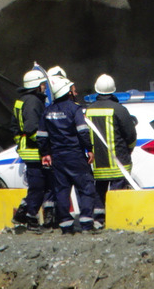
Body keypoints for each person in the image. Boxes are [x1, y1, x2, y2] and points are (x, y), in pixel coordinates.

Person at [36, 76, 100, 234]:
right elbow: (82, 131)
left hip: (58, 157)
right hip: (75, 155)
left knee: (62, 190)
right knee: (86, 187)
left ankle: (65, 225)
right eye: (73, 88)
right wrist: (89, 149)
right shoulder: (74, 109)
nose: (75, 91)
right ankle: (86, 224)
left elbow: (41, 136)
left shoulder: (48, 111)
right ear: (67, 91)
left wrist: (45, 153)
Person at [85, 74, 137, 227]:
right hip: (118, 162)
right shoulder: (119, 109)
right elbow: (131, 135)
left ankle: (98, 220)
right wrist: (129, 149)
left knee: (99, 191)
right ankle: (116, 220)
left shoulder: (89, 110)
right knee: (117, 193)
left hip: (98, 163)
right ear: (113, 90)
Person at [9, 68, 54, 230]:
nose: (44, 87)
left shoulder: (22, 100)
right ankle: (30, 218)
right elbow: (32, 129)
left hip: (27, 150)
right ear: (37, 85)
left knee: (41, 185)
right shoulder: (34, 102)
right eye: (42, 84)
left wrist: (19, 144)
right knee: (38, 186)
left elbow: (14, 127)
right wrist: (46, 146)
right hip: (35, 151)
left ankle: (24, 213)